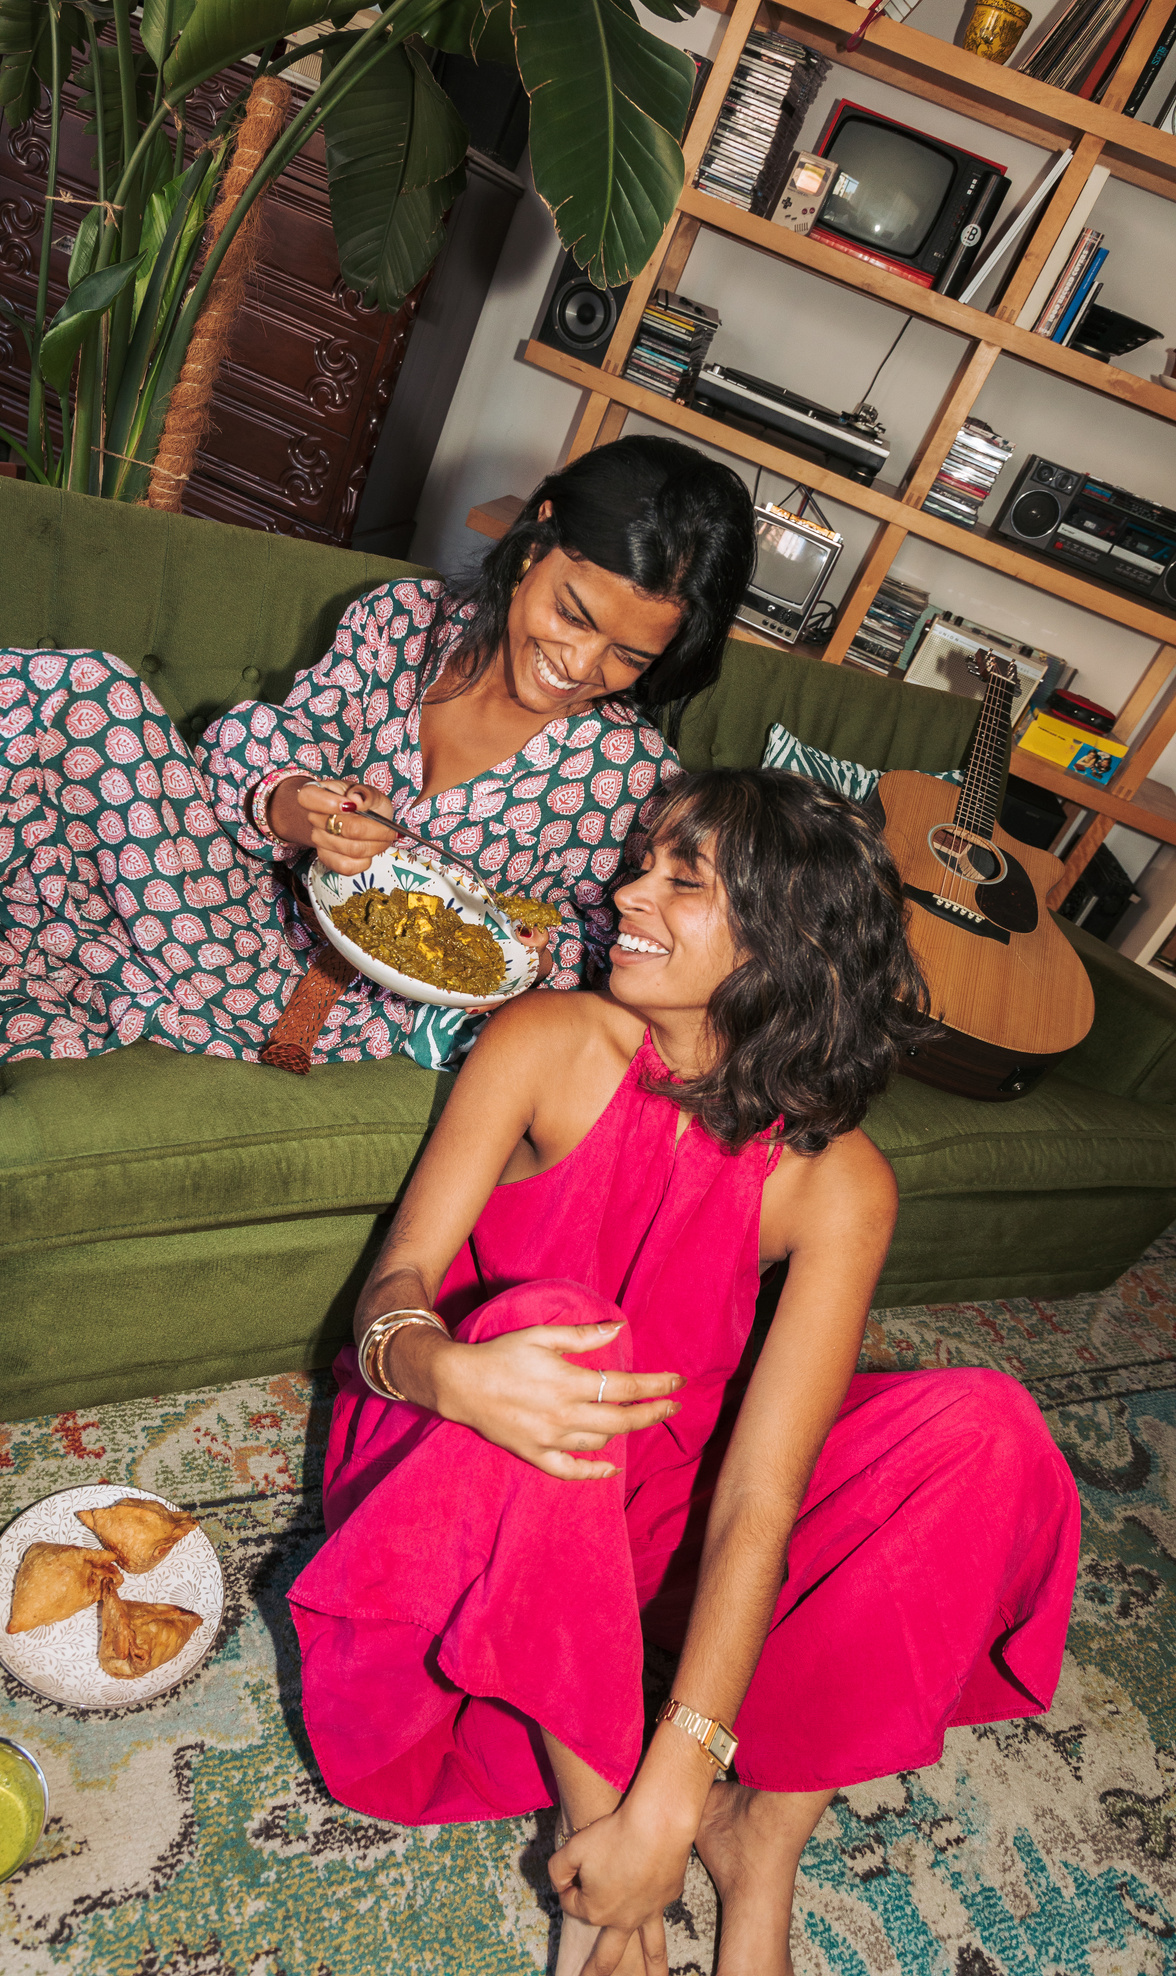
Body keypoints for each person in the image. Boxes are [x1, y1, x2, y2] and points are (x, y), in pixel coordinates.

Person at [287, 768, 1081, 1976]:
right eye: (639, 864)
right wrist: (448, 1370)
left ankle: (761, 1845)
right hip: (460, 1460)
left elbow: (762, 1492)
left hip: (655, 1500)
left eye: (681, 879)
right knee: (561, 1332)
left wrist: (682, 1777)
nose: (624, 895)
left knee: (987, 1428)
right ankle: (600, 1864)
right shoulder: (546, 1039)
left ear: (782, 942)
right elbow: (393, 1288)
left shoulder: (840, 1183)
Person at [0, 436, 754, 1074]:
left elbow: (616, 950)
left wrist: (538, 956)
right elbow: (260, 749)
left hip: (312, 1000)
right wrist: (298, 805)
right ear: (535, 542)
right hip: (206, 892)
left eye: (630, 657)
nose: (580, 667)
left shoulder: (633, 780)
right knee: (93, 693)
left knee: (79, 705)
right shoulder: (401, 622)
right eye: (573, 615)